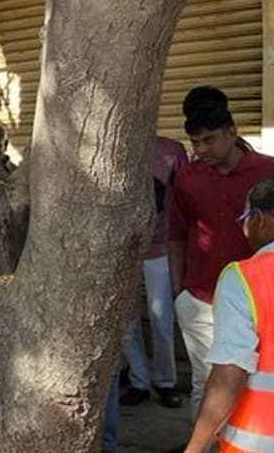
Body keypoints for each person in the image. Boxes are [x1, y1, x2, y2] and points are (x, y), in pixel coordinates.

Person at [169, 87, 274, 414]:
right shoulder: (187, 178)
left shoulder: (267, 172)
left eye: (209, 140)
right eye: (195, 143)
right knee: (206, 383)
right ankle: (205, 440)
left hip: (256, 301)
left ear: (232, 132)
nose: (201, 150)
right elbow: (177, 234)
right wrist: (179, 291)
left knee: (253, 384)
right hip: (200, 299)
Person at [182, 176, 274, 453]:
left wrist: (195, 448)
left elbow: (229, 374)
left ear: (259, 219)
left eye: (244, 219)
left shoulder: (245, 278)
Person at [121, 135, 187, 408]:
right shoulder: (112, 146)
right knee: (125, 321)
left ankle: (166, 381)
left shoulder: (171, 150)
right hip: (122, 249)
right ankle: (139, 380)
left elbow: (184, 197)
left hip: (160, 245)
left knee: (161, 318)